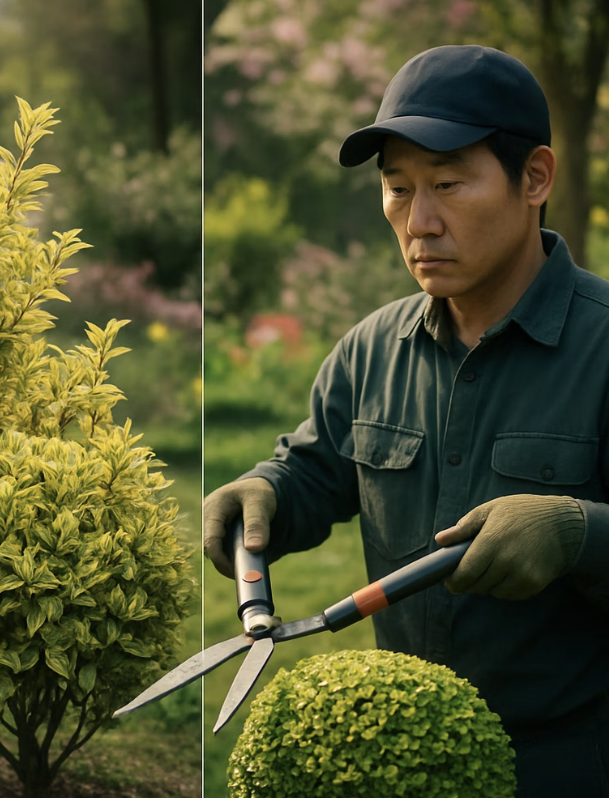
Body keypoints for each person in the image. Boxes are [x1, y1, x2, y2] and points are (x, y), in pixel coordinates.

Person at [203, 44, 609, 797]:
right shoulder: (371, 350)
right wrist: (266, 492)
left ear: (535, 178)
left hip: (568, 767)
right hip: (404, 759)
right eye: (397, 189)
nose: (419, 222)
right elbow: (313, 473)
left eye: (448, 184)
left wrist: (579, 534)